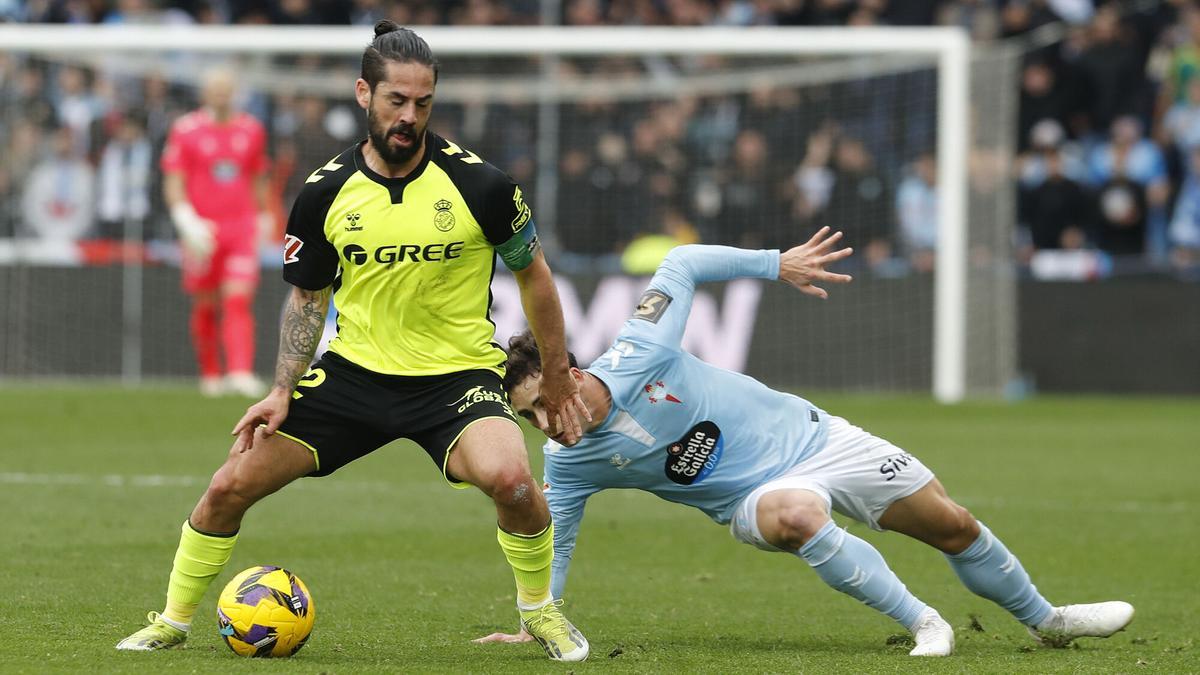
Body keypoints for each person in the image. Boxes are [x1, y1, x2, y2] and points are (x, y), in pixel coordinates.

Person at [117, 22, 592, 662]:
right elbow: (308, 298)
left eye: (423, 103)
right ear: (363, 93)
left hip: (456, 379)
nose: (409, 117)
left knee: (512, 481)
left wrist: (557, 374)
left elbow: (534, 275)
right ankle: (173, 620)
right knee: (229, 484)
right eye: (396, 100)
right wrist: (282, 389)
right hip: (352, 376)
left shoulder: (481, 186)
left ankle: (541, 613)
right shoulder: (322, 193)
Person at [476, 230, 1135, 657]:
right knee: (796, 515)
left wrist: (775, 264)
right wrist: (539, 612)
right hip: (753, 498)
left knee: (952, 524)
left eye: (542, 406)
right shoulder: (569, 461)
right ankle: (924, 622)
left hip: (818, 438)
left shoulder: (641, 349)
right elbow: (552, 534)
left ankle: (1047, 618)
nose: (546, 427)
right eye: (530, 420)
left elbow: (681, 262)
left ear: (563, 373)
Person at [161, 67, 272, 397]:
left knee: (238, 298)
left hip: (240, 227)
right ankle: (210, 373)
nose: (222, 95)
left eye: (227, 89)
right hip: (202, 231)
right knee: (206, 304)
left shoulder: (252, 130)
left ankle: (240, 371)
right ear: (204, 93)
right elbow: (173, 179)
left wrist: (264, 216)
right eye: (216, 89)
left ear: (235, 92)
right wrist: (185, 220)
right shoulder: (186, 130)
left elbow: (258, 177)